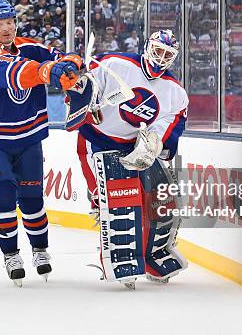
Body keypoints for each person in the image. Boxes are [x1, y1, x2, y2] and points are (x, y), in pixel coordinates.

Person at [0, 0, 82, 286]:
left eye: (9, 22)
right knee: (4, 193)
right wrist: (49, 72)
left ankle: (40, 251)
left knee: (32, 199)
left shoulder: (30, 46)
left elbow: (66, 56)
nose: (5, 28)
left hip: (27, 135)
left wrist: (70, 64)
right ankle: (11, 255)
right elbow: (21, 73)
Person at [74, 30, 189, 285]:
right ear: (148, 47)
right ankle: (118, 254)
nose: (161, 58)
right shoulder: (115, 64)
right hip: (97, 140)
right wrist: (85, 100)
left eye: (167, 54)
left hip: (133, 146)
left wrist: (154, 144)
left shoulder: (175, 92)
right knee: (112, 200)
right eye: (158, 51)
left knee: (161, 200)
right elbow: (84, 84)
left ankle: (153, 256)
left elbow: (172, 121)